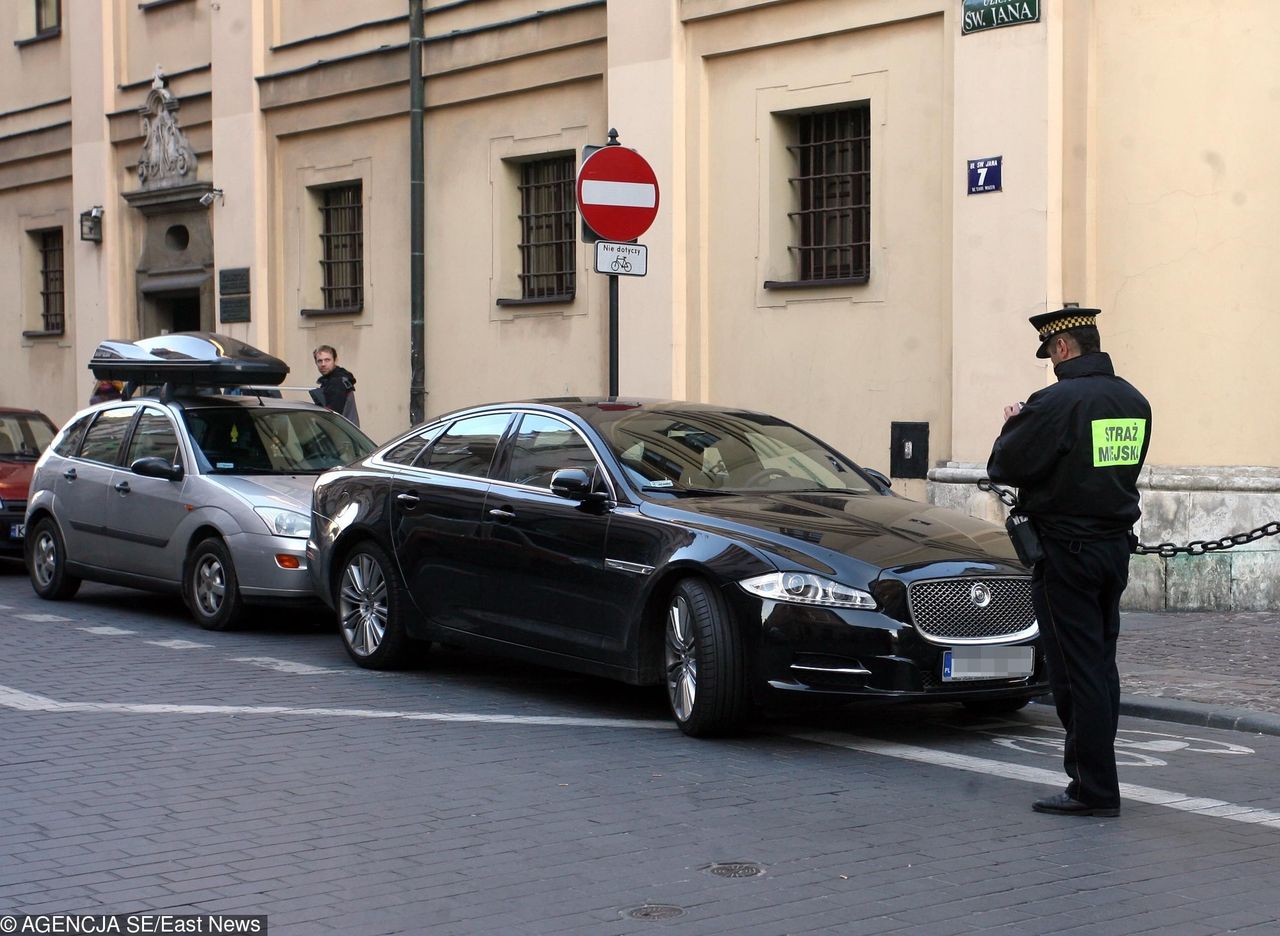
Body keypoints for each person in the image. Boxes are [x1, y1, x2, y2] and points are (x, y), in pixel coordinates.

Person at [986, 307, 1152, 819]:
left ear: (1063, 348)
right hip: (1112, 549)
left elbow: (1004, 465)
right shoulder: (1133, 400)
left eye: (1050, 355)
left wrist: (1015, 424)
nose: (1050, 365)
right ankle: (1096, 776)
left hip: (1066, 552)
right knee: (1101, 665)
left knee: (1073, 672)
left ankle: (1092, 787)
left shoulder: (1055, 401)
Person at [311, 344, 360, 426]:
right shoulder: (334, 380)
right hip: (345, 432)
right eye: (320, 361)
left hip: (342, 434)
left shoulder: (337, 382)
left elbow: (332, 415)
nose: (323, 364)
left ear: (335, 360)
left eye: (327, 360)